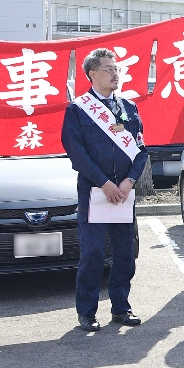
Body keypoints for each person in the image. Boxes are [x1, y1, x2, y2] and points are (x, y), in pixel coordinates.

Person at [62, 48, 147, 332]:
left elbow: (141, 151)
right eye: (108, 69)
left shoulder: (129, 108)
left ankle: (121, 307)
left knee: (125, 253)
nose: (115, 74)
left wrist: (128, 182)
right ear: (92, 74)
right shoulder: (78, 109)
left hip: (123, 192)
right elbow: (77, 153)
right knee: (94, 253)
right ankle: (86, 312)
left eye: (116, 69)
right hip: (95, 191)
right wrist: (104, 183)